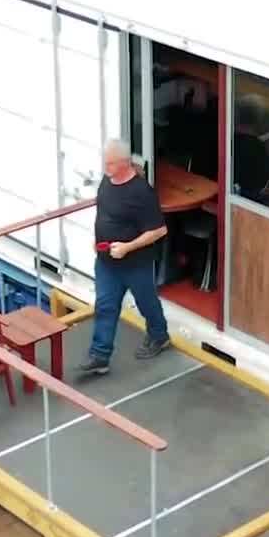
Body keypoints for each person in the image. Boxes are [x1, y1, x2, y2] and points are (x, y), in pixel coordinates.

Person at [85, 139, 171, 375]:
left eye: (111, 163)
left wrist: (127, 247)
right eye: (105, 162)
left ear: (124, 163)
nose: (106, 167)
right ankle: (100, 356)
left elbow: (159, 230)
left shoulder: (142, 192)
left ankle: (159, 335)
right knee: (105, 305)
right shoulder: (106, 181)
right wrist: (97, 238)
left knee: (146, 302)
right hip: (106, 260)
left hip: (136, 263)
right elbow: (103, 212)